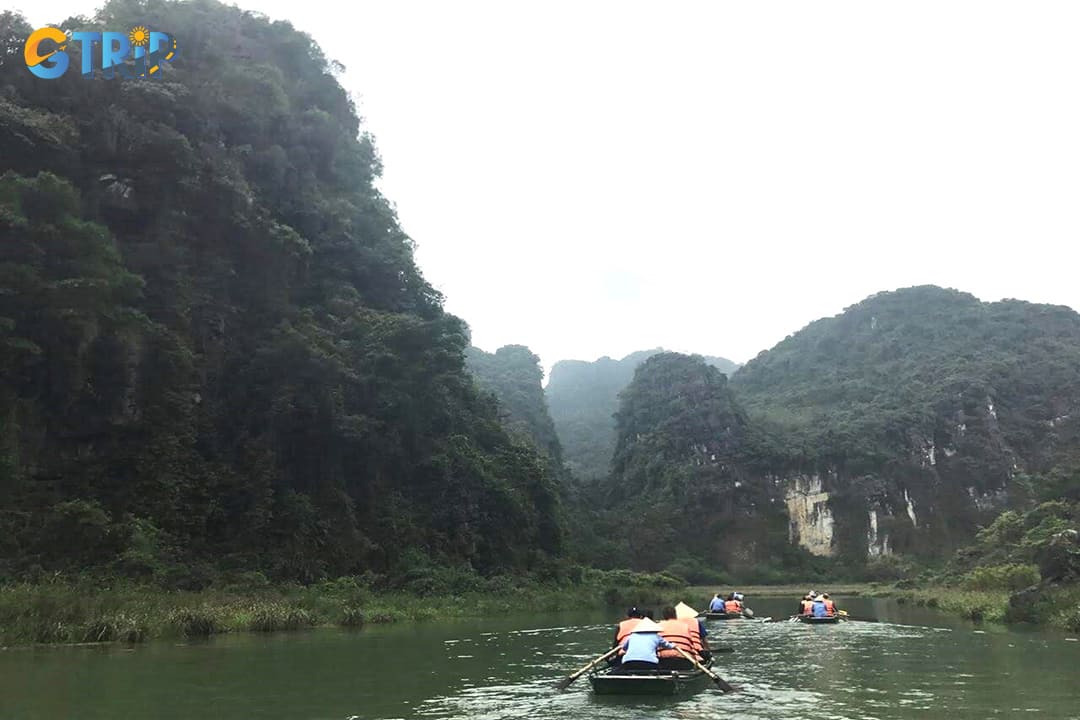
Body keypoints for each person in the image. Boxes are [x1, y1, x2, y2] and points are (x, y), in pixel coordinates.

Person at [657, 606, 698, 670]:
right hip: (684, 660)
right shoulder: (685, 626)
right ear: (675, 615)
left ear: (664, 616)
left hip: (664, 662)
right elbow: (691, 646)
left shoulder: (658, 626)